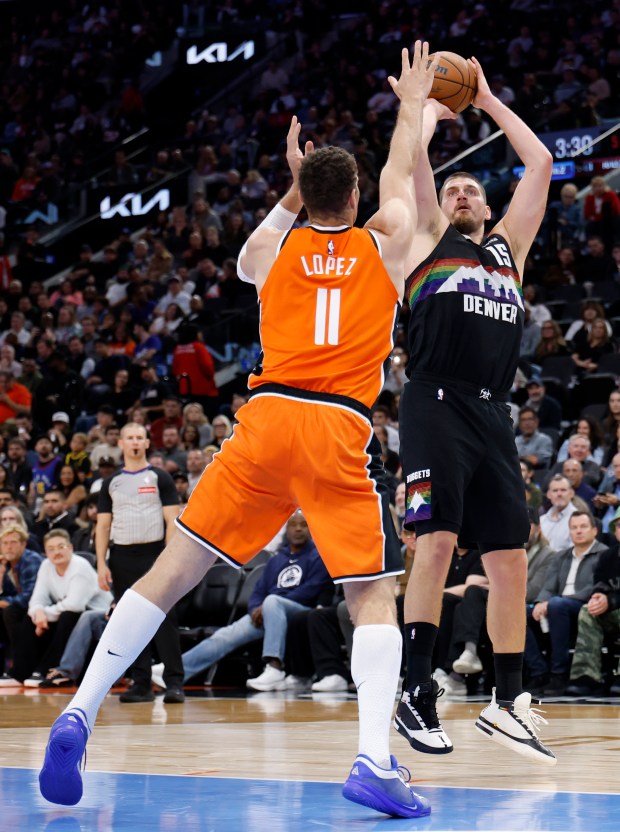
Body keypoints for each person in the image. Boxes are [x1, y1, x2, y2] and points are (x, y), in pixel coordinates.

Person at [40, 45, 438, 817]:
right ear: (352, 197)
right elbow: (404, 189)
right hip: (335, 427)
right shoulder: (379, 245)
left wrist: (291, 190)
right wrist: (413, 107)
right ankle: (371, 759)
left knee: (172, 571)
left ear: (300, 191)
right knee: (372, 597)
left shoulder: (273, 249)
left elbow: (253, 248)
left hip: (262, 421)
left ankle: (81, 709)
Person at [395, 54, 556, 765]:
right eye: (452, 187)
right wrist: (418, 111)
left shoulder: (508, 254)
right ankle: (414, 688)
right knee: (433, 543)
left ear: (489, 207)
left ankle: (504, 701)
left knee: (510, 561)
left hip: (493, 413)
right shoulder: (431, 240)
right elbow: (410, 171)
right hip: (433, 399)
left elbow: (543, 161)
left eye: (470, 189)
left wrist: (487, 99)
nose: (459, 193)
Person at [151, 511, 333, 691]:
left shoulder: (318, 557)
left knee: (272, 601)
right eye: (294, 525)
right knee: (226, 635)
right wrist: (257, 607)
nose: (298, 529)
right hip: (268, 612)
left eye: (304, 525)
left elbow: (310, 590)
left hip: (299, 612)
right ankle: (175, 671)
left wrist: (269, 605)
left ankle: (275, 668)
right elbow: (258, 591)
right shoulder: (277, 559)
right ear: (287, 529)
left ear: (311, 530)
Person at [95, 422, 185, 705]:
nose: (134, 442)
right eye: (129, 437)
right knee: (130, 622)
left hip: (154, 554)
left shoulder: (160, 477)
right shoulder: (111, 483)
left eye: (139, 438)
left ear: (147, 443)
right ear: (120, 444)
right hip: (121, 557)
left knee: (165, 619)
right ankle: (141, 683)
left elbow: (173, 520)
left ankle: (174, 683)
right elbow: (102, 527)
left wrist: (168, 558)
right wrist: (101, 563)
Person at [16, 529, 112, 686]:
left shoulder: (80, 566)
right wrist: (38, 612)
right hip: (69, 613)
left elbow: (75, 605)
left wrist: (44, 613)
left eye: (61, 547)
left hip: (97, 615)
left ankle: (50, 670)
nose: (56, 552)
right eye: (51, 549)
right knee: (30, 618)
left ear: (71, 548)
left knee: (68, 616)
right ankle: (20, 673)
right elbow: (36, 599)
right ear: (45, 552)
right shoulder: (46, 565)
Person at [525, 511, 605, 695]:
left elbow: (595, 587)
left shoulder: (602, 554)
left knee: (557, 605)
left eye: (583, 527)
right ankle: (538, 670)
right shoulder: (561, 556)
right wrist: (540, 602)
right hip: (555, 604)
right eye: (574, 528)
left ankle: (559, 673)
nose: (578, 531)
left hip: (583, 605)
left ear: (594, 530)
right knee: (518, 614)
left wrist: (554, 601)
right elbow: (548, 585)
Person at [566, 506, 620, 696]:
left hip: (616, 606)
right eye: (619, 525)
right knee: (587, 610)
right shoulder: (608, 556)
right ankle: (586, 676)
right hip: (614, 611)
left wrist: (610, 601)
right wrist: (599, 597)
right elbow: (600, 583)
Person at [0, 524, 44, 685]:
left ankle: (20, 670)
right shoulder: (7, 564)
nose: (8, 547)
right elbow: (5, 594)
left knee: (10, 612)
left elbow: (30, 595)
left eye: (13, 542)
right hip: (23, 608)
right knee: (7, 611)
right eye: (4, 543)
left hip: (40, 607)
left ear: (24, 544)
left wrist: (5, 602)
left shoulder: (31, 559)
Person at [540, 475, 579, 552]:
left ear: (571, 493)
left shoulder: (578, 519)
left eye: (563, 490)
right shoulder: (541, 520)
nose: (559, 494)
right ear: (548, 494)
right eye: (555, 490)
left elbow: (575, 552)